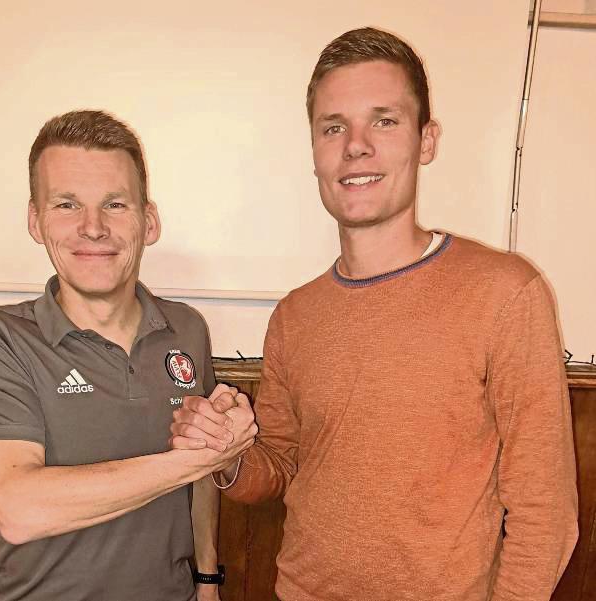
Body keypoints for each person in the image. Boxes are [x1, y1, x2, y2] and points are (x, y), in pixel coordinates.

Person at [170, 27, 579, 601]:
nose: (355, 146)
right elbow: (280, 467)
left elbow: (545, 513)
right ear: (314, 149)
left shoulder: (506, 293)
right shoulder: (295, 314)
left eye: (383, 121)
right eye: (333, 127)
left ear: (426, 140)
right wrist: (226, 453)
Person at [0, 110, 257, 601]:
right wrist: (206, 456)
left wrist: (206, 579)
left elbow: (199, 488)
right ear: (35, 219)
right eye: (67, 204)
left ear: (149, 220)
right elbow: (20, 509)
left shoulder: (186, 328)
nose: (93, 228)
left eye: (115, 204)